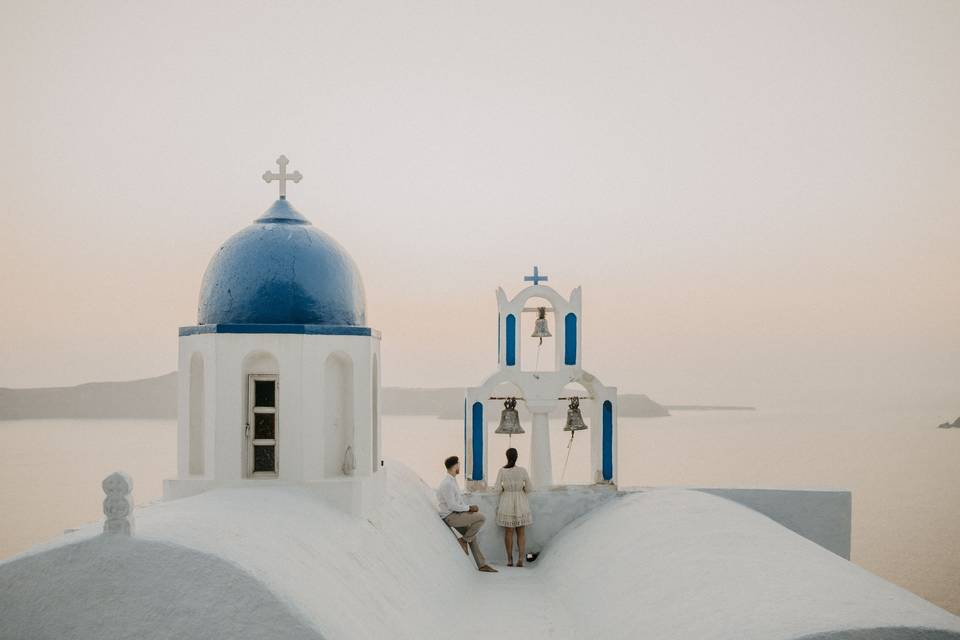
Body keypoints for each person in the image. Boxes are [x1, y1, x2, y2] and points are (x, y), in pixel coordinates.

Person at [437, 455, 498, 573]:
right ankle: (463, 541)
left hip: (456, 514)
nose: (460, 466)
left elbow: (458, 502)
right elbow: (452, 506)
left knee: (471, 535)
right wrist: (469, 508)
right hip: (451, 517)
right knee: (481, 518)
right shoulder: (447, 484)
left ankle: (482, 564)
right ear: (454, 466)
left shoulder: (452, 481)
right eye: (458, 464)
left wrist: (468, 508)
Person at [491, 448, 533, 567]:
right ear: (517, 457)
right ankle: (520, 559)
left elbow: (497, 489)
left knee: (508, 532)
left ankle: (509, 560)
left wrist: (506, 489)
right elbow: (530, 488)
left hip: (507, 500)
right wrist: (521, 489)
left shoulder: (502, 471)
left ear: (507, 457)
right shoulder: (523, 470)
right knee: (521, 532)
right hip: (520, 500)